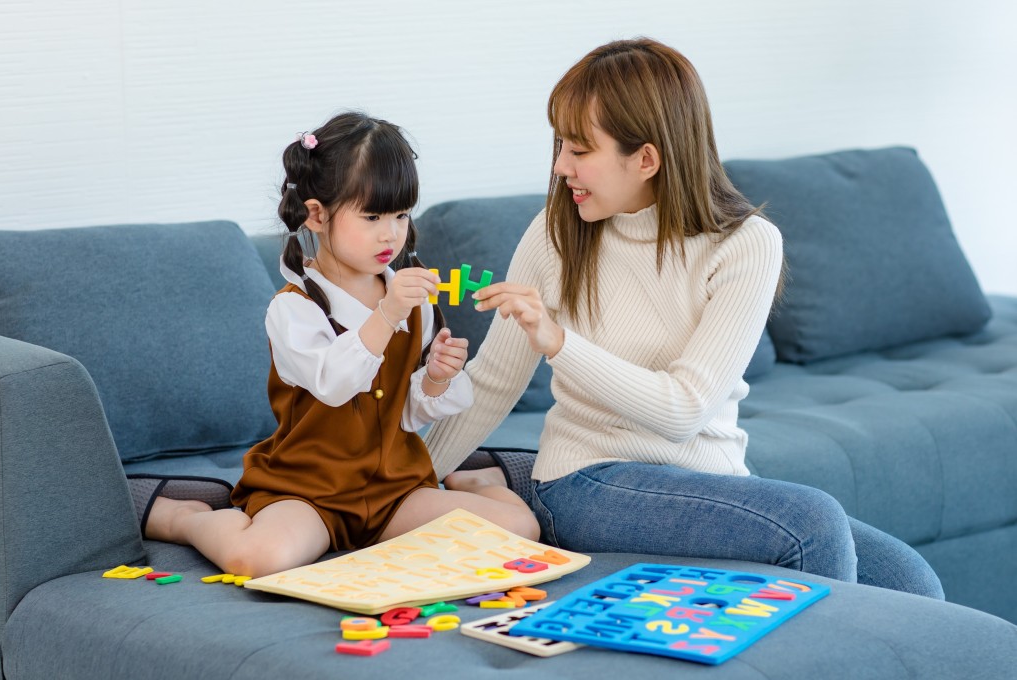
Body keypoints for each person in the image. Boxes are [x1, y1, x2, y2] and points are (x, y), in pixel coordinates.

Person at [424, 39, 943, 598]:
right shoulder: (556, 233)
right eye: (561, 147)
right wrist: (395, 487)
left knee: (910, 581)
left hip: (710, 480)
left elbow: (685, 410)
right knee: (812, 521)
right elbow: (495, 382)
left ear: (646, 158)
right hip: (584, 480)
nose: (560, 167)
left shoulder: (746, 244)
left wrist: (559, 341)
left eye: (579, 150)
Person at [133, 112, 539, 578]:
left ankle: (480, 477)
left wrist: (436, 379)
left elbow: (405, 412)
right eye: (371, 216)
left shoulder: (415, 303)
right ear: (317, 214)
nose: (391, 234)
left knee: (518, 529)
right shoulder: (294, 309)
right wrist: (387, 315)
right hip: (309, 492)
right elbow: (335, 384)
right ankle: (187, 518)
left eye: (401, 215)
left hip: (394, 491)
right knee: (259, 559)